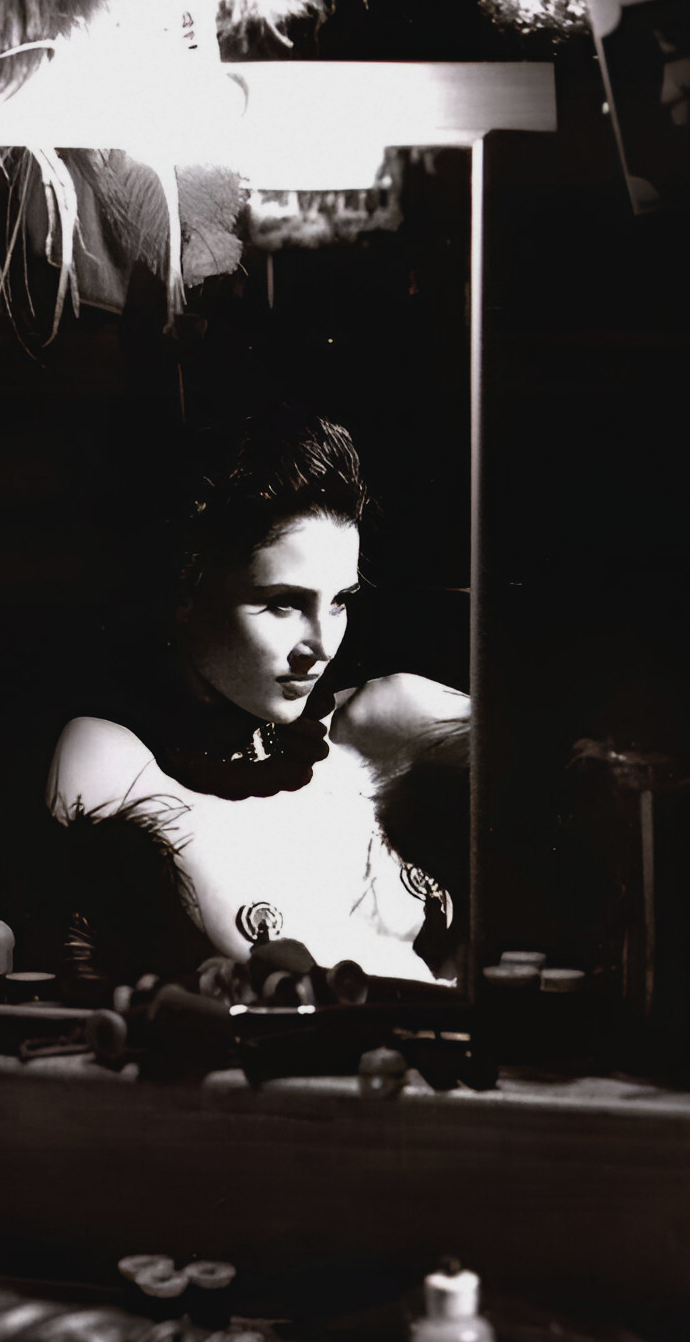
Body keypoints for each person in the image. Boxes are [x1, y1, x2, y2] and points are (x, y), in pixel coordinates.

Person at [45, 410, 470, 992]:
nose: (321, 646)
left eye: (340, 601)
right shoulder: (112, 759)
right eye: (283, 603)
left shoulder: (386, 722)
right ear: (187, 591)